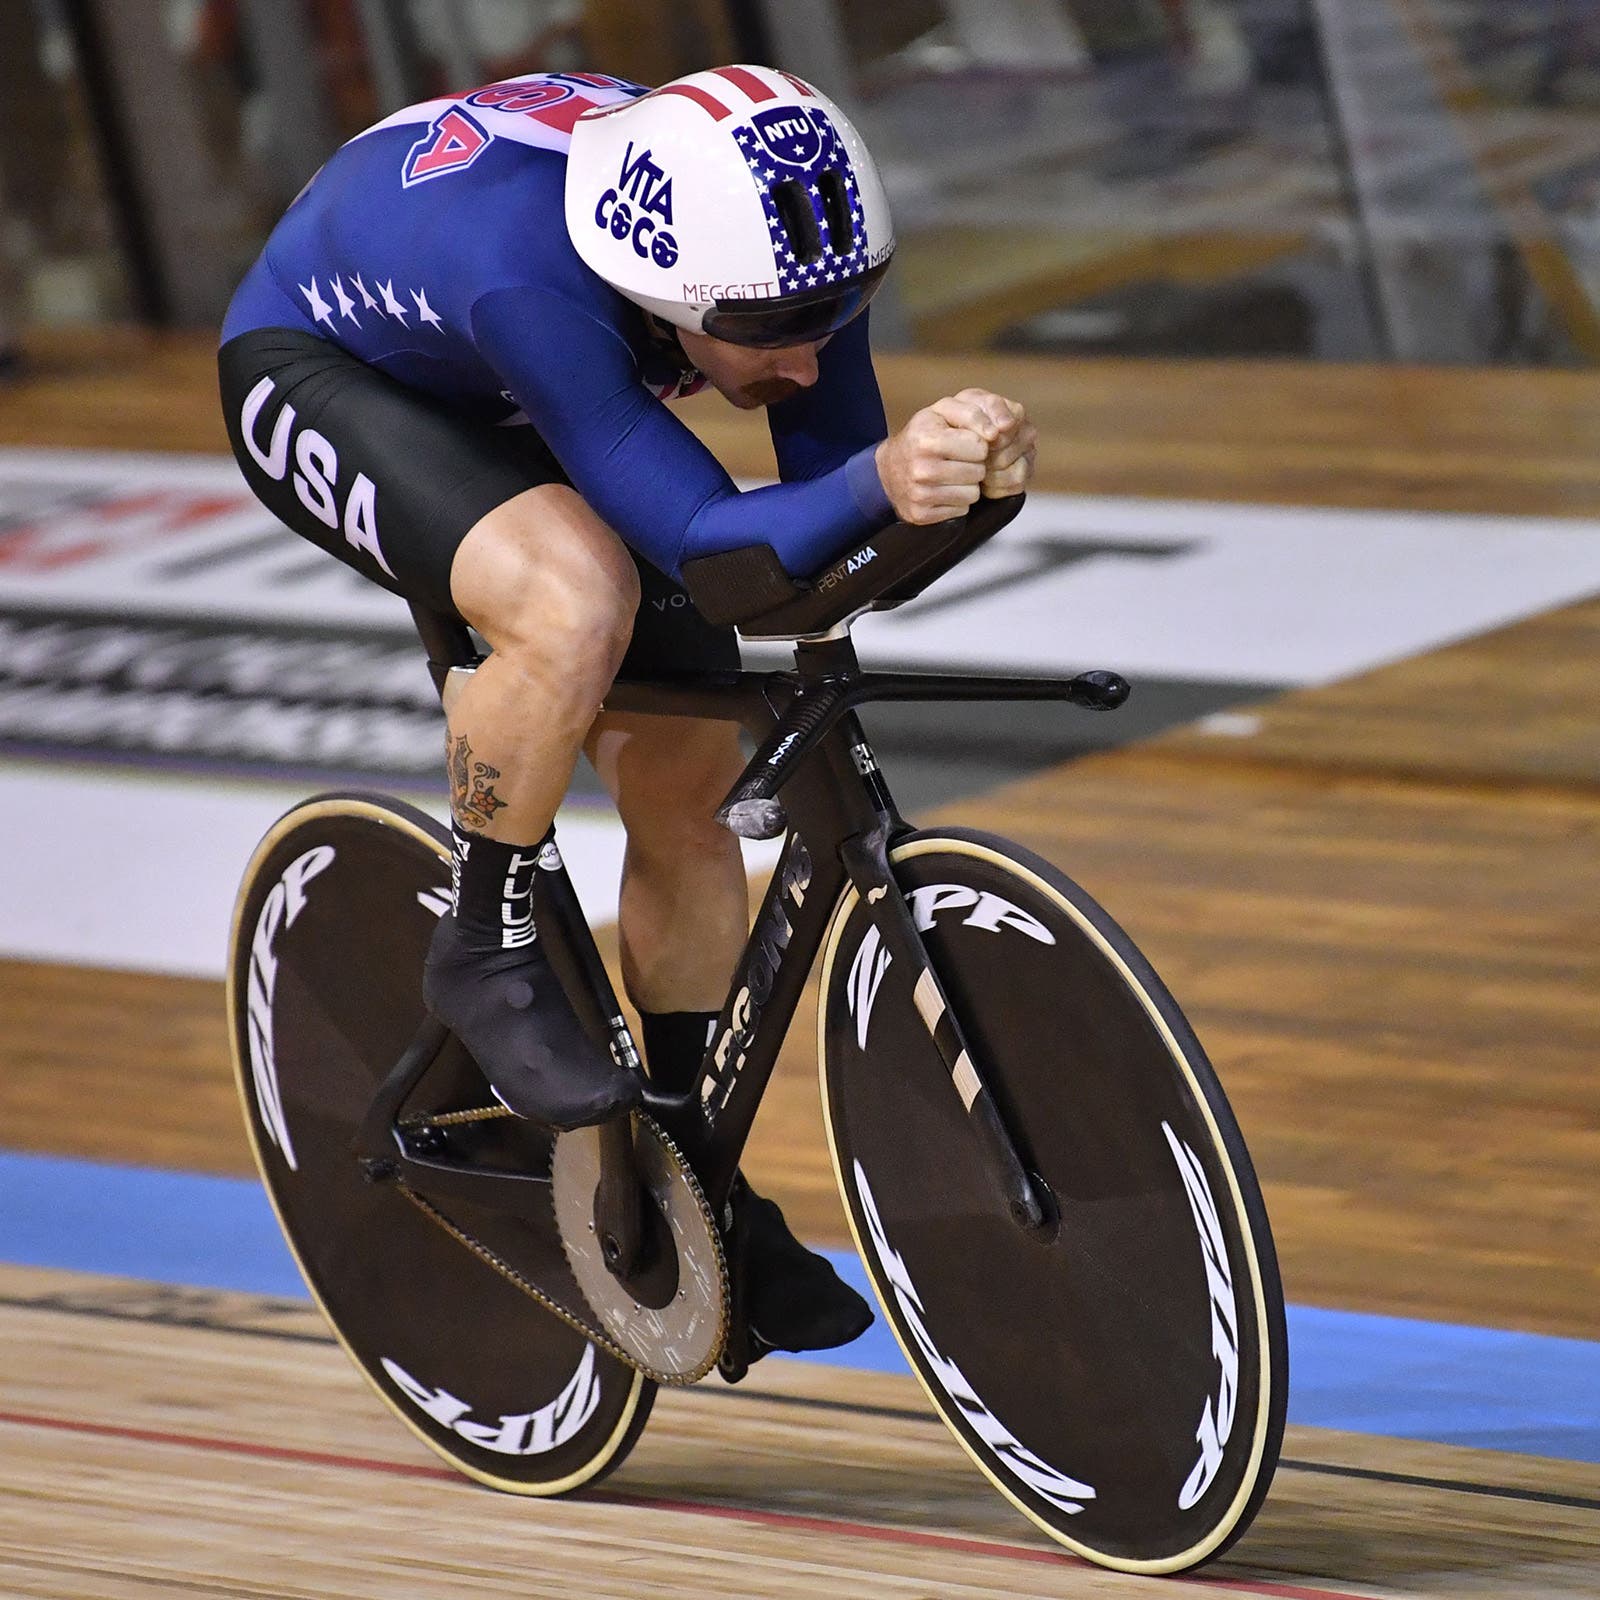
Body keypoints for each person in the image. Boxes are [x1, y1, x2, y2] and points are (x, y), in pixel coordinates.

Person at [218, 63, 1035, 1357]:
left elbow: (814, 558)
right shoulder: (532, 274)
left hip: (526, 381)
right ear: (666, 295)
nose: (811, 353)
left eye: (841, 314)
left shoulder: (784, 246)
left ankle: (684, 1166)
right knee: (578, 596)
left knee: (691, 773)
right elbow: (712, 537)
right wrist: (886, 476)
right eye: (771, 333)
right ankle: (482, 942)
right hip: (332, 370)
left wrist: (959, 489)